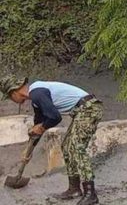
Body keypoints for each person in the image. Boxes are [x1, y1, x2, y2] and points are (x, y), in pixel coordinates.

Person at [0, 75, 103, 205]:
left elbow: (55, 117)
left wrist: (42, 127)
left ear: (14, 91)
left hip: (89, 107)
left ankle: (91, 193)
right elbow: (38, 125)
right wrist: (29, 150)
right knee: (67, 146)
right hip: (81, 111)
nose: (11, 100)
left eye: (9, 97)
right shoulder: (36, 99)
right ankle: (74, 189)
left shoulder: (37, 93)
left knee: (76, 146)